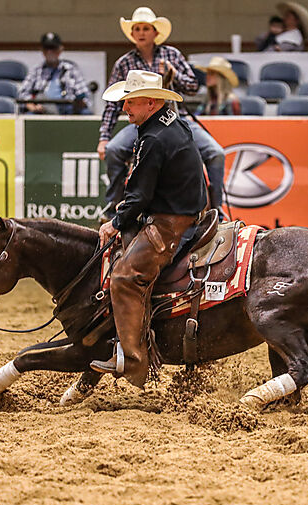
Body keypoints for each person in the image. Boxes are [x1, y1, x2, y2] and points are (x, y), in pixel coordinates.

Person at [90, 70, 208, 388]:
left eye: (131, 101)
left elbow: (139, 196)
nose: (125, 107)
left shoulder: (153, 139)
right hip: (186, 210)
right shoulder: (172, 123)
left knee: (123, 277)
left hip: (171, 223)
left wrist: (115, 223)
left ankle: (132, 359)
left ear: (151, 103)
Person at [97, 7, 225, 221]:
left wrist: (174, 74)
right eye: (137, 29)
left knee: (216, 153)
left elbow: (193, 86)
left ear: (155, 32)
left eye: (146, 28)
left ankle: (217, 211)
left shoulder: (172, 55)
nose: (141, 32)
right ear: (132, 33)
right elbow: (112, 105)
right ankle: (112, 207)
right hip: (144, 123)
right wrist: (104, 137)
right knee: (113, 150)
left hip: (176, 119)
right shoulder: (123, 63)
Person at [17, 32, 91, 115]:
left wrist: (79, 102)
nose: (50, 52)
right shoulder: (36, 71)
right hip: (43, 111)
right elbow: (22, 94)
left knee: (86, 113)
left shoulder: (71, 69)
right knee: (29, 115)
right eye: (46, 48)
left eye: (53, 48)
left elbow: (85, 96)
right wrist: (31, 106)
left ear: (60, 49)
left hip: (68, 110)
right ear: (42, 50)